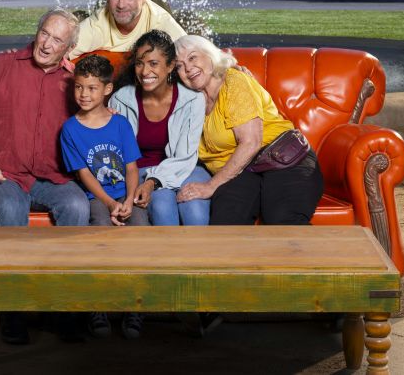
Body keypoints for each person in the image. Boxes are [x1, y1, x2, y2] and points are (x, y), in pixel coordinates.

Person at [0, 7, 90, 345]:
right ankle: (12, 312)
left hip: (52, 178)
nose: (46, 44)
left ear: (68, 48)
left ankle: (63, 311)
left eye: (57, 40)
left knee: (78, 206)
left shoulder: (74, 82)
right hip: (6, 174)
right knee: (11, 211)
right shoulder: (1, 67)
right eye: (44, 33)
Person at [173, 34, 324, 226]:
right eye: (179, 65)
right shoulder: (187, 101)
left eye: (193, 57)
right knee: (226, 223)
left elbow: (251, 142)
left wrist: (210, 186)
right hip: (241, 171)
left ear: (210, 55)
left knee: (283, 223)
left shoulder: (234, 81)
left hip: (282, 158)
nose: (187, 68)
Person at [59, 54, 147, 339]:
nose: (83, 94)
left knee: (142, 234)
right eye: (79, 87)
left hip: (128, 194)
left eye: (92, 88)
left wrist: (129, 199)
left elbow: (132, 168)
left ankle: (136, 307)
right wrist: (110, 203)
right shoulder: (70, 130)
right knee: (98, 236)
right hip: (98, 198)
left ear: (107, 89)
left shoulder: (120, 124)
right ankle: (97, 306)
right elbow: (84, 174)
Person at [109, 29, 210, 226]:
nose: (145, 72)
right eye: (140, 63)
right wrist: (104, 121)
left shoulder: (192, 100)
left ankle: (199, 257)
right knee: (162, 206)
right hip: (140, 171)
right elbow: (114, 154)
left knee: (195, 211)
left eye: (153, 63)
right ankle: (171, 257)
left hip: (186, 167)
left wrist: (153, 182)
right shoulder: (120, 100)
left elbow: (185, 156)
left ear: (170, 65)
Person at [69, 0, 186, 58]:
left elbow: (192, 56)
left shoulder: (160, 21)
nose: (121, 5)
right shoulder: (98, 23)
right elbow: (59, 54)